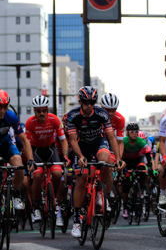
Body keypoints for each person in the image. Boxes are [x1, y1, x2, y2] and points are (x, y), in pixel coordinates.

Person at [65, 86, 121, 237]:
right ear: (80, 101)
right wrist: (80, 156)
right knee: (81, 179)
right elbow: (72, 140)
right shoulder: (73, 115)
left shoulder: (102, 114)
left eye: (92, 102)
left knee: (105, 160)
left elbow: (110, 137)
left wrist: (119, 159)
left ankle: (99, 192)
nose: (89, 105)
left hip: (98, 142)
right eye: (85, 102)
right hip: (81, 146)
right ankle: (77, 221)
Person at [25, 95, 68, 225]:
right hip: (35, 150)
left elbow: (63, 140)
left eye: (44, 110)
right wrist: (30, 160)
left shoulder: (54, 119)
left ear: (48, 109)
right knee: (37, 176)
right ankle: (37, 207)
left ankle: (53, 198)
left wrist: (65, 157)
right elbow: (27, 144)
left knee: (57, 173)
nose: (42, 113)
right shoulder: (29, 122)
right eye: (39, 111)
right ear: (34, 111)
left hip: (50, 150)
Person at [0, 90, 35, 211]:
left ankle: (15, 193)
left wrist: (30, 160)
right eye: (0, 107)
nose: (2, 111)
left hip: (6, 145)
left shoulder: (10, 116)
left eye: (5, 107)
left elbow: (24, 141)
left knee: (19, 165)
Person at [119, 122, 151, 219]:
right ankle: (125, 206)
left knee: (143, 170)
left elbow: (148, 155)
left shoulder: (141, 141)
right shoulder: (124, 141)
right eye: (132, 131)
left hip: (137, 161)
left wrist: (150, 167)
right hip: (126, 162)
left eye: (136, 131)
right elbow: (119, 155)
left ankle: (140, 189)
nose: (134, 133)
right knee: (126, 183)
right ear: (128, 132)